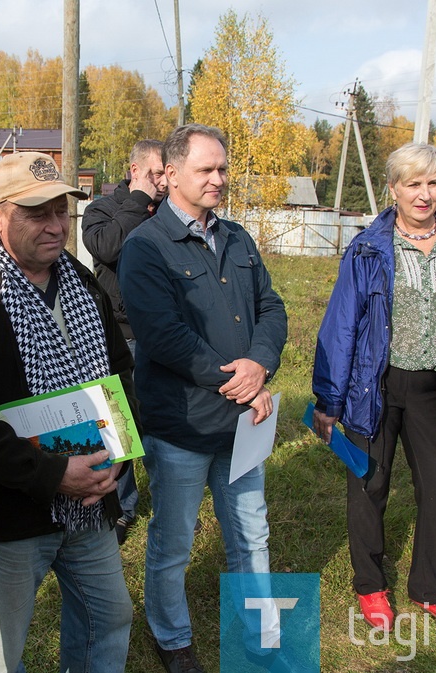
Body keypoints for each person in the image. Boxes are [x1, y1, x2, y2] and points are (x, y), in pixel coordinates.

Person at [0, 151, 136, 673]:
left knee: (110, 615)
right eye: (37, 212)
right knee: (2, 650)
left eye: (62, 210)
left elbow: (120, 374)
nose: (57, 225)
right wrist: (52, 474)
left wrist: (115, 456)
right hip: (9, 510)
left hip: (93, 495)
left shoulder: (84, 285)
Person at [118, 124, 288, 673]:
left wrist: (260, 365)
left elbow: (272, 308)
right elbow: (163, 335)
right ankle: (172, 638)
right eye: (205, 170)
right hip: (183, 425)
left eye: (221, 169)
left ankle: (257, 631)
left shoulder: (237, 237)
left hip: (244, 419)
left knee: (251, 531)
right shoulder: (145, 247)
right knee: (174, 541)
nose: (218, 179)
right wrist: (235, 379)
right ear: (170, 175)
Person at [312, 142, 436, 639]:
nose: (423, 193)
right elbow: (342, 325)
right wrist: (329, 401)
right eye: (412, 183)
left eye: (432, 183)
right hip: (377, 385)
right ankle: (370, 584)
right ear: (392, 188)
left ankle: (430, 589)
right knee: (370, 483)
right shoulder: (369, 248)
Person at [81, 138, 166, 544]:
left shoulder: (170, 209)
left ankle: (170, 503)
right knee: (121, 423)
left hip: (164, 334)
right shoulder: (104, 209)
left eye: (166, 173)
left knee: (162, 423)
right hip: (119, 334)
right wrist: (138, 200)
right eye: (154, 174)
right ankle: (124, 506)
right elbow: (105, 246)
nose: (162, 182)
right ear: (134, 172)